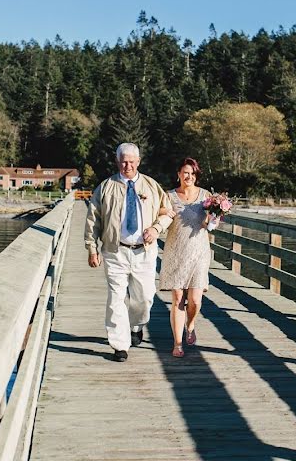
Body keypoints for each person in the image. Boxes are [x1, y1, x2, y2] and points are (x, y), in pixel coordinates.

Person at [85, 143, 172, 362]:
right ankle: (119, 345)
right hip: (115, 251)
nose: (128, 166)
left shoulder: (151, 186)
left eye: (132, 161)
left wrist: (156, 228)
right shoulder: (105, 187)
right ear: (117, 162)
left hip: (144, 252)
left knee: (144, 298)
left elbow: (168, 212)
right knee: (116, 298)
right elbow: (93, 219)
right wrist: (92, 248)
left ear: (139, 162)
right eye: (124, 161)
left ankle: (136, 325)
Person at [158, 157, 216, 358]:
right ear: (178, 175)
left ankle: (190, 324)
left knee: (195, 300)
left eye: (192, 173)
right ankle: (178, 343)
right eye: (185, 173)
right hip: (176, 251)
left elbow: (211, 222)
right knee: (177, 299)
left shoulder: (206, 196)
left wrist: (214, 220)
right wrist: (163, 210)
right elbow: (157, 212)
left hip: (199, 251)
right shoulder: (169, 196)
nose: (188, 176)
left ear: (196, 175)